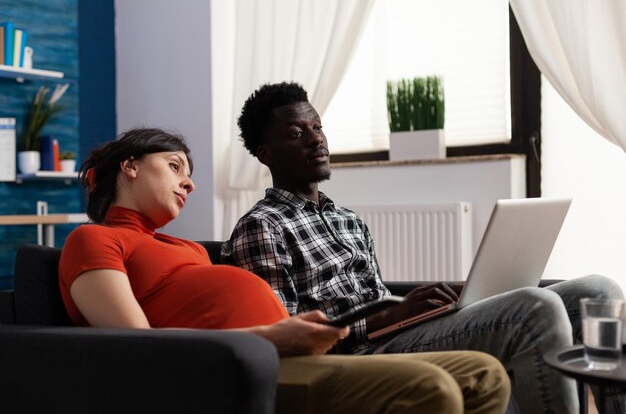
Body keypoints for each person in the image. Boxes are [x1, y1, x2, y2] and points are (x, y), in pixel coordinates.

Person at [221, 81, 626, 414]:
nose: (316, 140)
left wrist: (415, 308)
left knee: (599, 291)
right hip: (363, 355)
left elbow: (376, 296)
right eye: (297, 133)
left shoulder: (348, 219)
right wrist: (389, 317)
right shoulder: (261, 227)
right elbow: (288, 337)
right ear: (266, 154)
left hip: (400, 332)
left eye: (318, 127)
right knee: (537, 309)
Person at [58, 127, 511, 414]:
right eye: (175, 166)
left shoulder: (186, 249)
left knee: (484, 373)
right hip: (230, 373)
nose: (190, 182)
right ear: (130, 167)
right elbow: (136, 348)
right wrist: (272, 337)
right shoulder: (93, 239)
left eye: (189, 173)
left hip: (287, 354)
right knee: (430, 389)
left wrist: (303, 329)